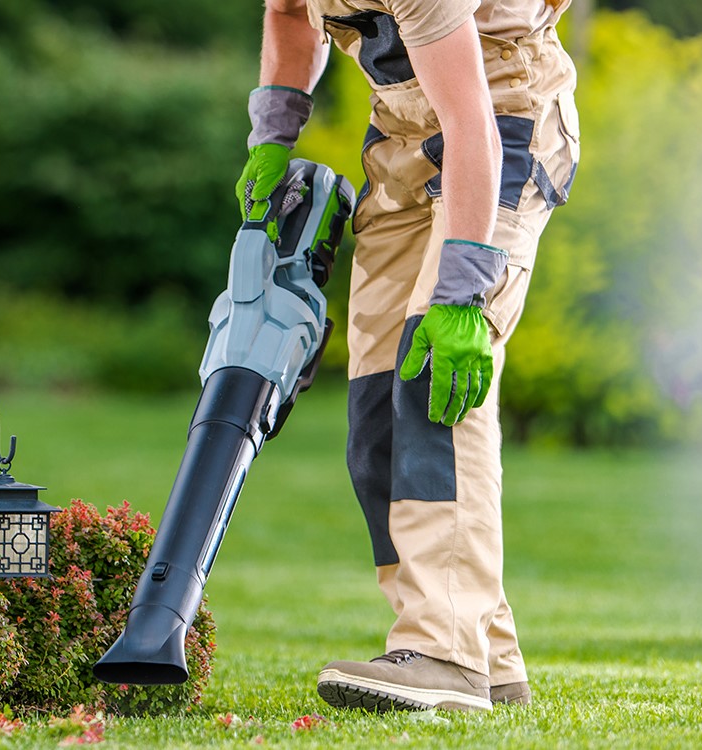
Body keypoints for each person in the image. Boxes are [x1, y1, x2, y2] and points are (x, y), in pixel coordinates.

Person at [237, 0, 580, 711]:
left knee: (434, 380)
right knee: (375, 415)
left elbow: (473, 127)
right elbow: (288, 16)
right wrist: (273, 137)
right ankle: (487, 653)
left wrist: (461, 296)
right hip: (398, 136)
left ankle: (444, 653)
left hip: (503, 120)